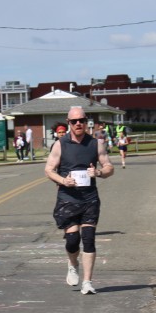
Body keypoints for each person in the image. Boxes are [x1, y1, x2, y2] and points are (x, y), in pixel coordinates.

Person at [44, 107, 114, 295]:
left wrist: (98, 172)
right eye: (74, 121)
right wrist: (63, 181)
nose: (78, 124)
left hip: (90, 199)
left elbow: (109, 167)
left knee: (89, 239)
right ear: (68, 123)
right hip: (68, 198)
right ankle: (73, 263)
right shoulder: (60, 144)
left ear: (86, 121)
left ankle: (87, 282)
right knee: (73, 241)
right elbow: (49, 169)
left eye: (81, 120)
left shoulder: (95, 144)